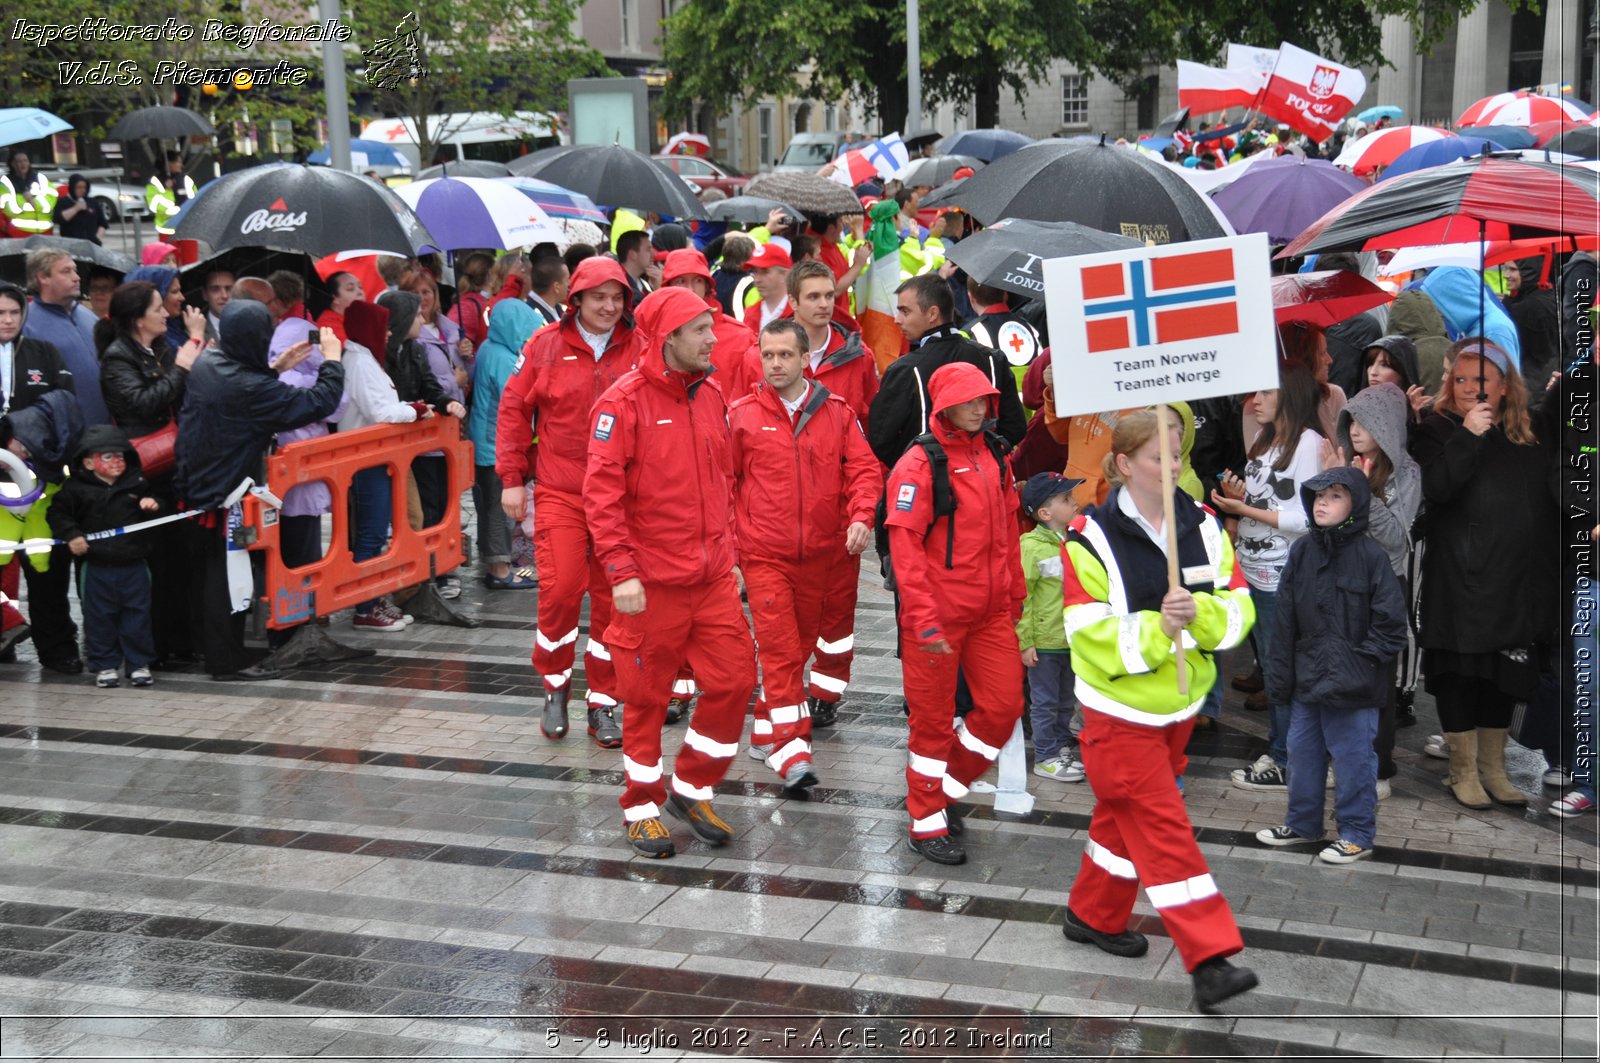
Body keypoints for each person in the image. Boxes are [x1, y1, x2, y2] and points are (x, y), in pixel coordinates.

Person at [1059, 408, 1257, 1014]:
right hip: (1118, 716)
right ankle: (1209, 958)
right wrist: (1157, 628)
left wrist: (1203, 620)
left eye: (1178, 454)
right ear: (1123, 465)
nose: (1172, 467)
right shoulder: (1088, 538)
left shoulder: (1203, 523)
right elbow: (1086, 634)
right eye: (1157, 457)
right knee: (1163, 826)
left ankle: (1090, 915)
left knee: (1122, 820)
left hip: (1180, 707)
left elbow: (1239, 607)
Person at [584, 286, 758, 859]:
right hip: (649, 584)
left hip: (710, 580)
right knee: (646, 698)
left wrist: (729, 558)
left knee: (733, 681)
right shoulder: (622, 403)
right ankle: (640, 805)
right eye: (701, 331)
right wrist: (620, 571)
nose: (714, 340)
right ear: (668, 339)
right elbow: (601, 497)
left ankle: (690, 787)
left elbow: (726, 486)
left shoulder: (711, 396)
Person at [883, 362, 1025, 865]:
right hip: (937, 618)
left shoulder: (994, 455)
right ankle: (925, 823)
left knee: (1004, 708)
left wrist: (1014, 600)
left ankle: (943, 787)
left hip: (989, 615)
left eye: (984, 399)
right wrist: (923, 619)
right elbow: (905, 547)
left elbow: (1009, 533)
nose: (979, 407)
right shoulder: (919, 465)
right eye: (968, 400)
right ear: (943, 404)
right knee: (932, 723)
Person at [497, 257, 641, 745]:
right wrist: (511, 478)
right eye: (598, 297)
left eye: (617, 296)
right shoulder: (544, 345)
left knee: (613, 602)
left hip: (622, 500)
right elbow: (514, 410)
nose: (608, 306)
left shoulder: (640, 348)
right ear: (574, 299)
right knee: (560, 592)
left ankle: (603, 702)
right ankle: (555, 684)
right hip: (560, 490)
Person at [729, 319, 878, 790]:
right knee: (780, 653)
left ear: (804, 359)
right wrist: (733, 554)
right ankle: (793, 752)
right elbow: (722, 487)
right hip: (764, 556)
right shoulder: (740, 415)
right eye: (767, 355)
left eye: (784, 355)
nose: (775, 364)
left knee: (797, 649)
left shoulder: (836, 412)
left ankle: (764, 731)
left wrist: (861, 515)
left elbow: (864, 470)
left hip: (822, 555)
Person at [1412, 338, 1558, 810]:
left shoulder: (1527, 430)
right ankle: (1462, 771)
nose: (1469, 388)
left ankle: (1493, 769)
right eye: (1460, 379)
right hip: (1460, 581)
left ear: (1503, 385)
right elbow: (1438, 487)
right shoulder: (1436, 427)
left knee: (1503, 674)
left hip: (1514, 580)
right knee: (1460, 673)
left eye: (1481, 380)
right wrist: (1468, 435)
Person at [174, 302, 345, 681]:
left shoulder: (209, 364)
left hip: (198, 487)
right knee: (227, 578)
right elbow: (318, 402)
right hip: (225, 494)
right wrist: (332, 361)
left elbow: (245, 388)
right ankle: (227, 662)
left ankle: (213, 651)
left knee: (213, 576)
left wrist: (275, 369)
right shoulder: (251, 387)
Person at [1255, 468, 1409, 864]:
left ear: (1355, 504)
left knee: (1354, 761)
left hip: (1354, 685)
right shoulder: (1303, 550)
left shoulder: (1372, 556)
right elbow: (1286, 619)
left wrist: (1361, 661)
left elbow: (1392, 623)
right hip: (1309, 677)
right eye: (1318, 495)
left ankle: (1357, 833)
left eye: (1335, 496)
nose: (1322, 502)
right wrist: (1281, 675)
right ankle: (1303, 824)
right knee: (1302, 753)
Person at [1210, 368, 1325, 792]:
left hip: (1284, 578)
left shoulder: (1310, 444)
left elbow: (1310, 517)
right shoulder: (1263, 441)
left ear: (1290, 394)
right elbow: (1266, 500)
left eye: (1264, 391)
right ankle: (1283, 752)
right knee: (1274, 669)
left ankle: (1286, 760)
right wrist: (1238, 497)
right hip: (1253, 575)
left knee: (1282, 672)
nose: (1253, 399)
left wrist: (1246, 511)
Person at [97, 280, 206, 662]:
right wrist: (181, 368)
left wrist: (190, 352)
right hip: (144, 470)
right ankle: (157, 646)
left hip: (175, 464)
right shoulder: (117, 357)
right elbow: (143, 404)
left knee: (179, 558)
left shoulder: (159, 348)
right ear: (137, 318)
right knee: (157, 560)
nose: (165, 313)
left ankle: (181, 641)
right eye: (157, 307)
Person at [1331, 382, 1421, 794]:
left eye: (1365, 421)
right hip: (1344, 585)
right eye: (1351, 419)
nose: (1355, 429)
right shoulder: (1348, 465)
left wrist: (1362, 494)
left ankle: (1378, 768)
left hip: (1384, 587)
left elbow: (1396, 538)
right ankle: (1345, 760)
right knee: (1342, 678)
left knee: (1377, 682)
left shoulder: (1406, 472)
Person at [46, 426, 164, 688]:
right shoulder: (75, 489)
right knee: (99, 618)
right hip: (96, 566)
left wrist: (152, 506)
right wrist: (72, 535)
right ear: (88, 462)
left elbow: (157, 513)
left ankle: (138, 664)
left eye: (120, 456)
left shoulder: (138, 483)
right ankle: (105, 664)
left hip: (134, 565)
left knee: (138, 616)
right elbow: (58, 514)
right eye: (107, 457)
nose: (117, 462)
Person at [339, 300, 433, 630]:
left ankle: (372, 598)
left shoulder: (362, 358)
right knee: (371, 534)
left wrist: (409, 408)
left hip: (374, 457)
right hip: (368, 459)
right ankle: (366, 607)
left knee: (373, 533)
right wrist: (416, 411)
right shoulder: (360, 363)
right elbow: (383, 412)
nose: (389, 332)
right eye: (383, 326)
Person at [868, 273, 1027, 466]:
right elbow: (1015, 428)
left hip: (930, 487)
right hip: (985, 479)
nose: (897, 319)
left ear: (933, 313)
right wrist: (983, 460)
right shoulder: (993, 358)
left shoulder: (905, 369)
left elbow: (880, 440)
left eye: (905, 311)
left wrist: (921, 469)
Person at [0, 284, 76, 666]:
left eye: (14, 312)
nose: (8, 320)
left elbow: (63, 403)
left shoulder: (44, 353)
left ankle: (57, 649)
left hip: (41, 483)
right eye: (0, 314)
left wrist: (25, 439)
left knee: (46, 571)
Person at [1017, 471, 1086, 783]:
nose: (1074, 503)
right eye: (1066, 499)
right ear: (1044, 513)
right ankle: (1044, 755)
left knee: (1065, 701)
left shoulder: (1076, 540)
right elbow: (1023, 598)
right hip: (1044, 642)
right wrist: (1026, 642)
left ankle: (1060, 745)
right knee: (1044, 702)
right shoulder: (1031, 547)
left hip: (1071, 638)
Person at [467, 295, 538, 590]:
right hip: (494, 445)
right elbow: (521, 401)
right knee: (499, 509)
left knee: (486, 506)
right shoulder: (505, 359)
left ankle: (491, 561)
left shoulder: (487, 348)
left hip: (482, 442)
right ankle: (499, 569)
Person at [22, 249, 110, 427]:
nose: (76, 277)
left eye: (75, 270)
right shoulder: (27, 324)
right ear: (43, 278)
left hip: (106, 430)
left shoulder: (87, 314)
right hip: (66, 434)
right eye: (66, 271)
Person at [660, 249, 759, 401]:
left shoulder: (742, 338)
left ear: (707, 286)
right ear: (668, 286)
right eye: (681, 281)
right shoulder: (652, 335)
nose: (690, 289)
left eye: (698, 281)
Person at [965, 278, 1041, 391]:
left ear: (971, 298)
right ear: (1005, 294)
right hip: (1037, 404)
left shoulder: (969, 333)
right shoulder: (1029, 327)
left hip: (1001, 406)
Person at [1, 151, 56, 236]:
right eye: (19, 161)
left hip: (46, 231)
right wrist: (34, 203)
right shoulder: (6, 182)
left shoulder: (41, 178)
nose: (23, 164)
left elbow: (50, 203)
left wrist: (30, 200)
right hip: (18, 232)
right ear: (12, 163)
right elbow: (10, 209)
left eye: (25, 160)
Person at [739, 243, 792, 330]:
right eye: (754, 272)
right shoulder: (750, 313)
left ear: (785, 274)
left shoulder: (800, 312)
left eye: (765, 272)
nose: (757, 279)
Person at [146, 150, 196, 237]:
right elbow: (154, 206)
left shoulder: (186, 179)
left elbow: (195, 199)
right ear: (169, 164)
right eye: (178, 162)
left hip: (187, 228)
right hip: (166, 229)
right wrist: (168, 191)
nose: (181, 165)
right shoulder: (155, 181)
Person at [52, 175, 107, 244]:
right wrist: (76, 208)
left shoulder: (92, 202)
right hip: (71, 243)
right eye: (79, 187)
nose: (83, 190)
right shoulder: (63, 202)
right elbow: (60, 219)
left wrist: (97, 239)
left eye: (84, 187)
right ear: (72, 188)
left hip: (91, 243)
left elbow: (103, 223)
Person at [316, 272, 362, 343]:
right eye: (350, 288)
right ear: (334, 298)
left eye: (360, 287)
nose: (360, 292)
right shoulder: (327, 326)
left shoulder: (364, 317)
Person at [527, 254, 568, 329]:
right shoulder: (531, 315)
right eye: (567, 279)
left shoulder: (558, 308)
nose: (569, 283)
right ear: (556, 287)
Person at [615, 229, 655, 303]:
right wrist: (660, 290)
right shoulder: (619, 286)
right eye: (648, 250)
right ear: (633, 254)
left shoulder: (645, 283)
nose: (653, 255)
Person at [202, 269, 235, 336]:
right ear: (204, 294)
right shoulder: (194, 333)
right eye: (215, 289)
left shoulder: (252, 323)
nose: (224, 296)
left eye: (229, 288)